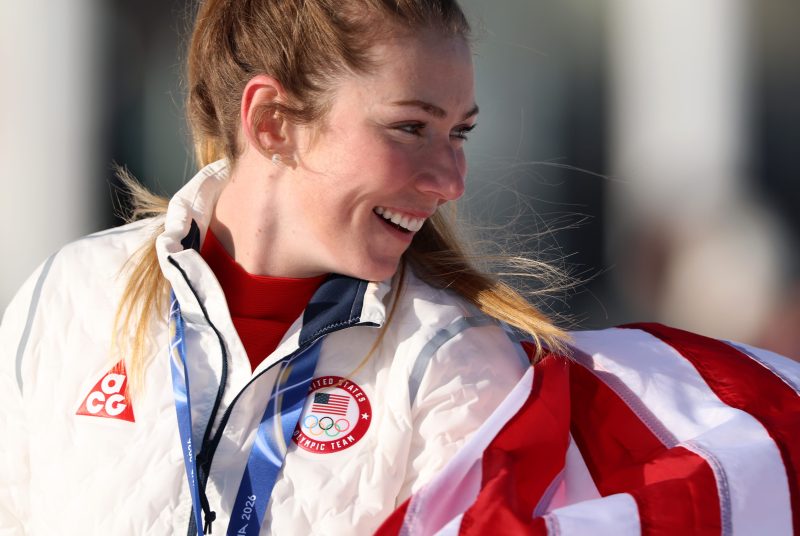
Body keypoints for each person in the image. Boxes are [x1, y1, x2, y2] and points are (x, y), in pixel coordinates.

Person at [1, 1, 798, 536]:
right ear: (272, 122)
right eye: (412, 128)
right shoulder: (73, 295)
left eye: (460, 133)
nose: (450, 180)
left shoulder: (451, 361)